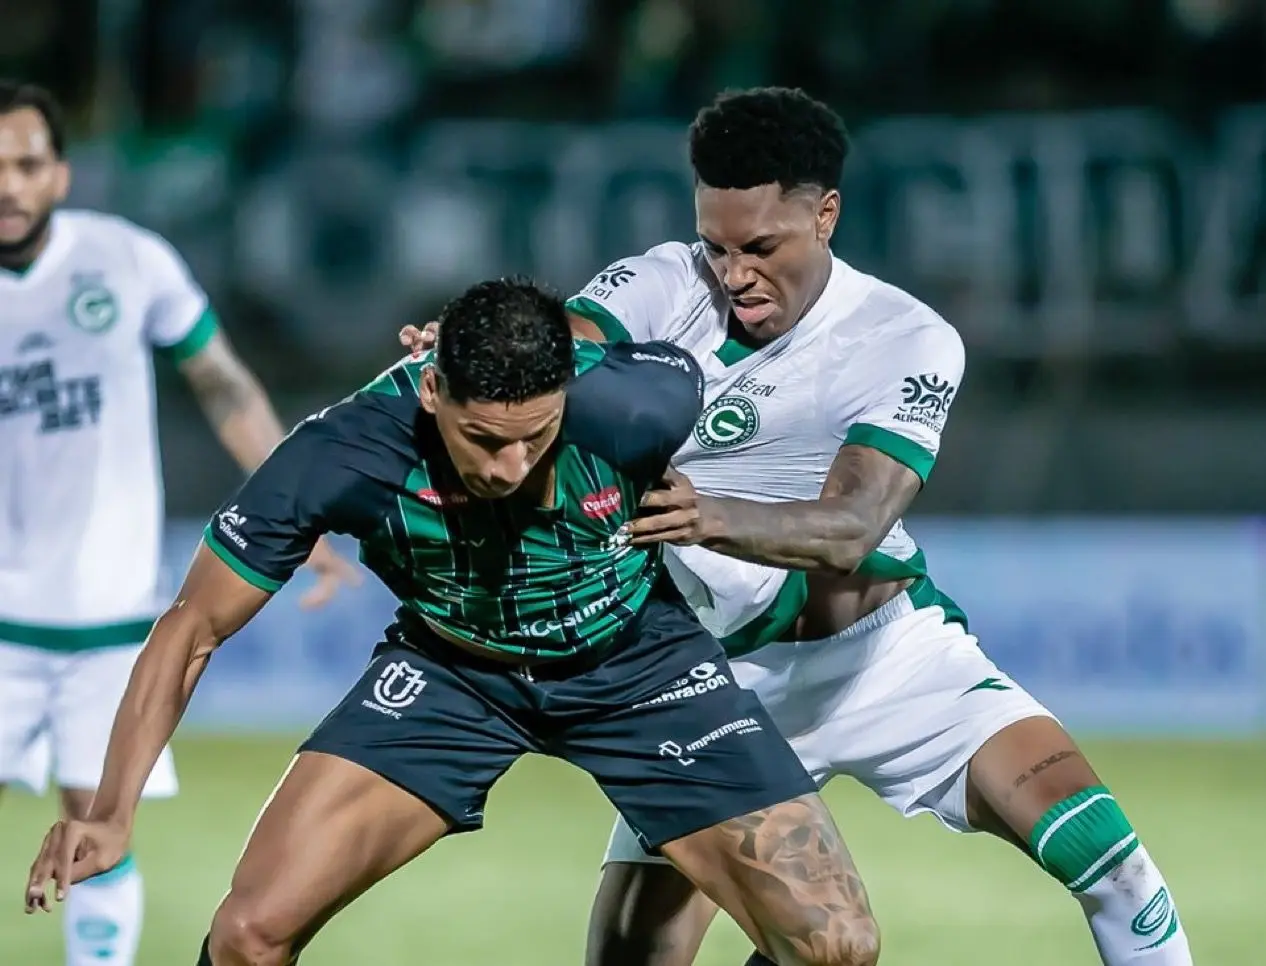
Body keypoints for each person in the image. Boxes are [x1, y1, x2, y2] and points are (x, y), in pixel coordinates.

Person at [400, 87, 1193, 966]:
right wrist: (481, 357)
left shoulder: (904, 336)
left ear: (826, 215)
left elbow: (854, 526)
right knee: (632, 955)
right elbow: (561, 341)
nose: (734, 273)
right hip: (713, 680)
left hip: (887, 659)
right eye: (717, 246)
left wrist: (707, 516)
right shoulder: (665, 283)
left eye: (760, 248)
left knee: (1111, 863)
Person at [25, 277, 880, 966]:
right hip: (454, 676)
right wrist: (111, 812)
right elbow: (191, 629)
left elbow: (747, 376)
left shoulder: (638, 401)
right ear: (432, 388)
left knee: (837, 947)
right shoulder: (344, 454)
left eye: (536, 436)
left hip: (639, 664)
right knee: (249, 934)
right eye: (484, 439)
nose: (510, 466)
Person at [0, 80, 358, 966]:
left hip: (109, 613)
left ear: (61, 174)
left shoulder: (128, 261)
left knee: (92, 826)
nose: (8, 184)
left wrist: (297, 505)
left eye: (27, 164)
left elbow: (223, 383)